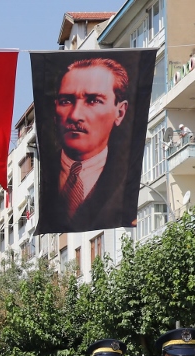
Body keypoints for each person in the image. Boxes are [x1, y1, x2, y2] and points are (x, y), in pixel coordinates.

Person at [41, 57, 136, 233]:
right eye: (66, 101)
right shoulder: (44, 176)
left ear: (120, 112)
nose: (75, 115)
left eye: (93, 100)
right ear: (55, 111)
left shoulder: (128, 178)